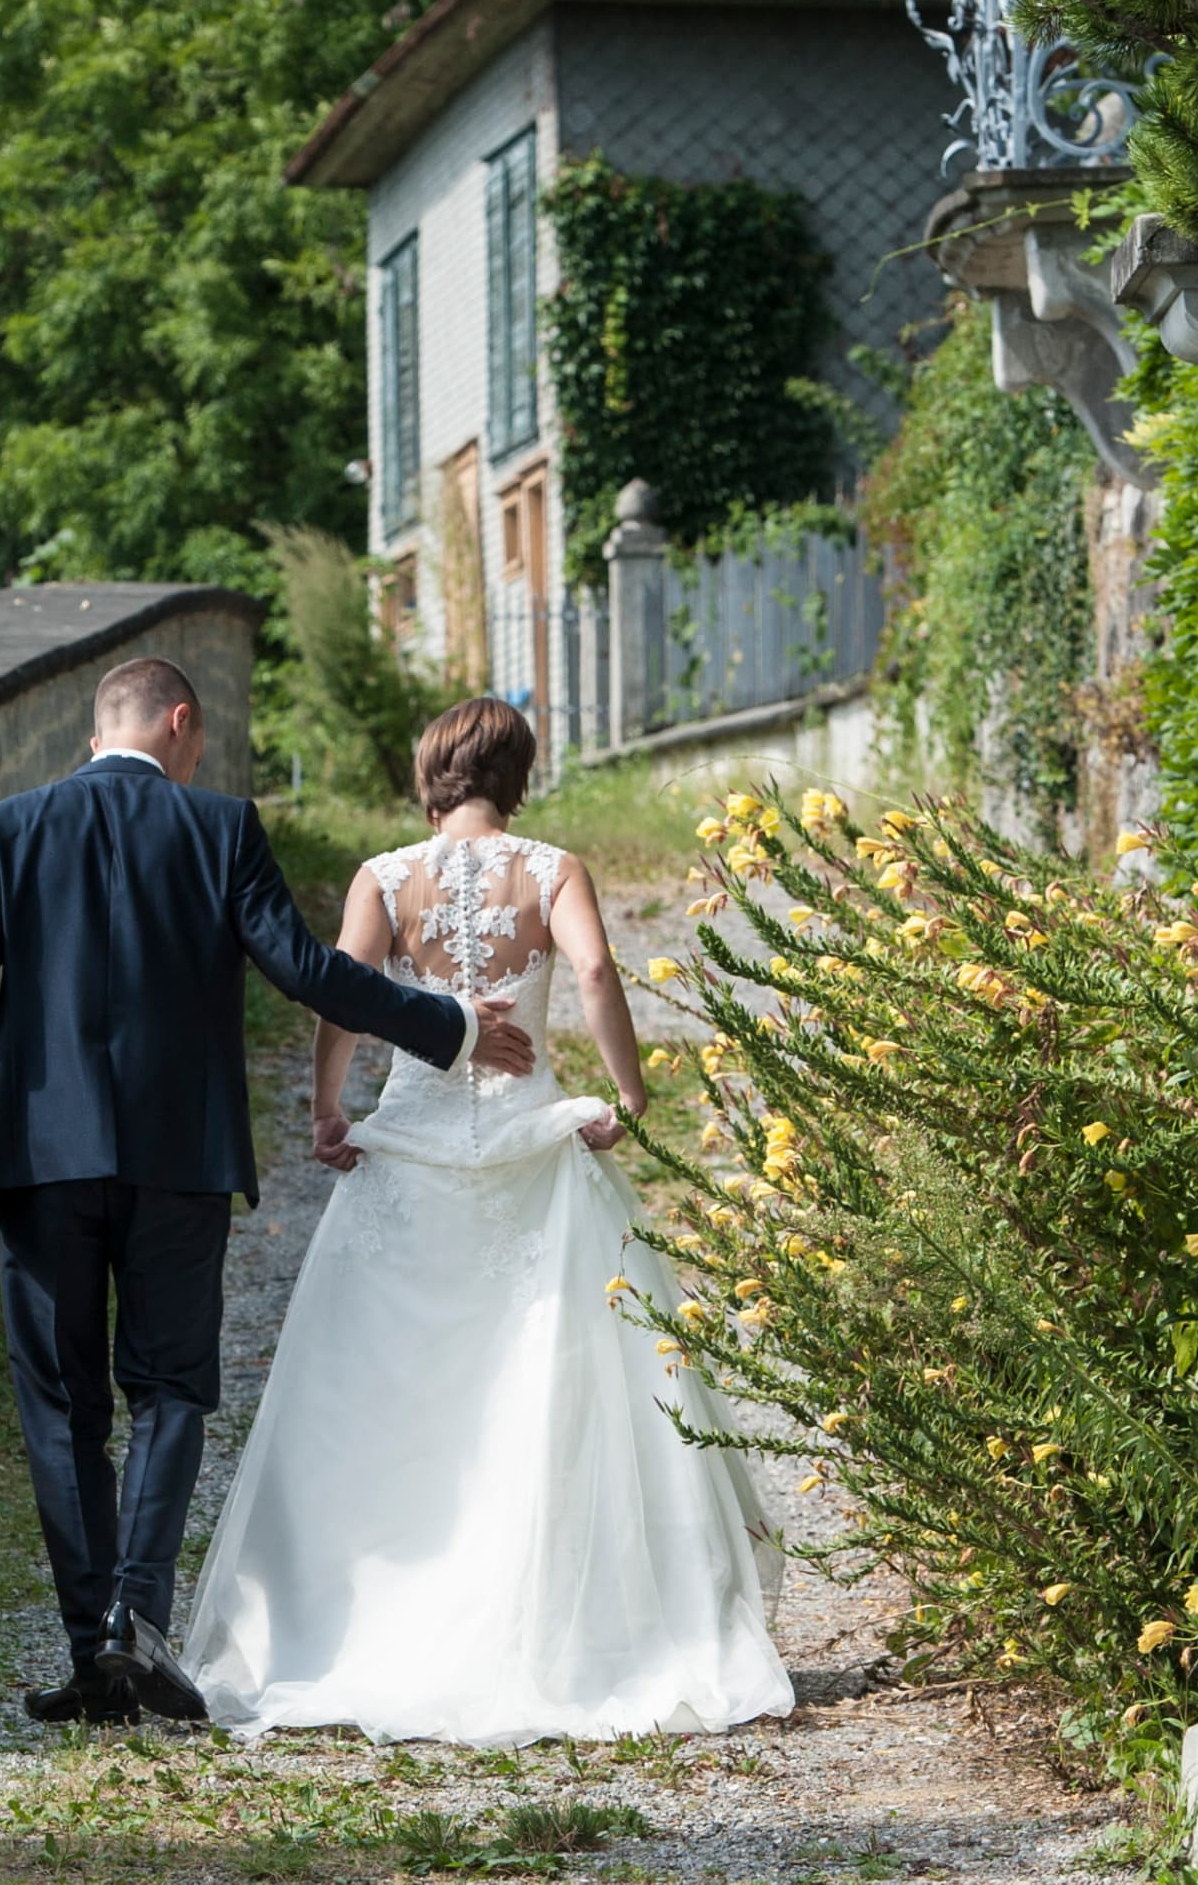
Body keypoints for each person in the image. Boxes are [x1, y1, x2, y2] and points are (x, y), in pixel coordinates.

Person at [0, 659, 537, 1727]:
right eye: (198, 742)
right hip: (178, 1157)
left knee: (63, 1406)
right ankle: (135, 1622)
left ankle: (92, 1650)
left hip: (40, 1161)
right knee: (170, 1389)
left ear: (102, 729)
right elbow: (302, 966)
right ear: (180, 724)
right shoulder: (219, 827)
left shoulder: (9, 826)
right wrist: (448, 1024)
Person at [181, 696, 795, 1746]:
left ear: (432, 773)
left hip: (410, 1147)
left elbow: (341, 994)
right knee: (557, 1378)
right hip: (530, 1143)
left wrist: (330, 1109)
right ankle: (576, 1626)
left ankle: (352, 1619)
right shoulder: (552, 869)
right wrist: (630, 1096)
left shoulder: (385, 877)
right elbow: (596, 972)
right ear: (518, 773)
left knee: (378, 1385)